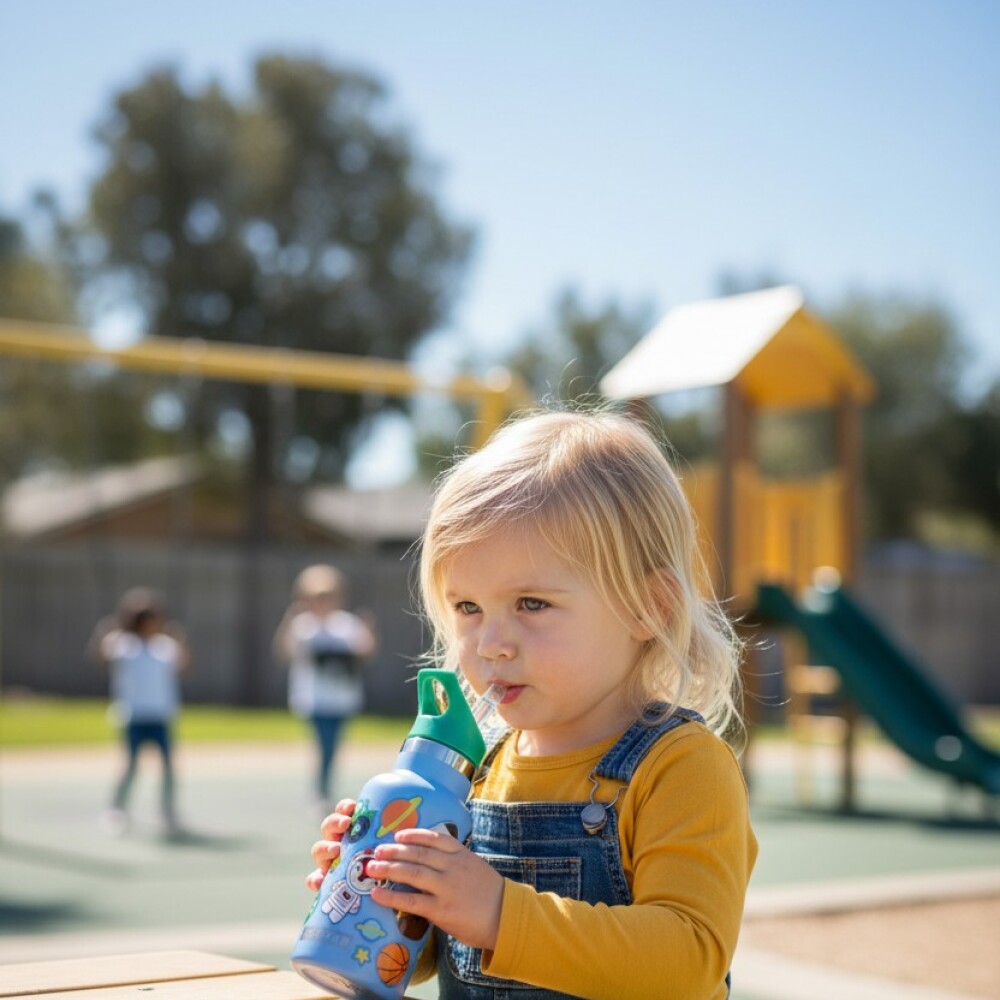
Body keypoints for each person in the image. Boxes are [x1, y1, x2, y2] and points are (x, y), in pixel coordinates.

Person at [306, 408, 758, 1000]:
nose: (491, 643)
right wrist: (383, 902)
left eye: (531, 603)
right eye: (468, 608)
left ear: (649, 608)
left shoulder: (681, 769)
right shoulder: (480, 771)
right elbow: (433, 955)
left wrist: (498, 911)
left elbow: (687, 961)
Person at [274, 564, 377, 810]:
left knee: (333, 746)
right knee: (325, 743)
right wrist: (288, 620)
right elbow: (283, 652)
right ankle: (320, 788)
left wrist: (370, 632)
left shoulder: (348, 625)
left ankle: (323, 786)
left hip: (342, 698)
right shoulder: (302, 625)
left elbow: (365, 653)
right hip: (313, 699)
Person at [90, 587, 189, 835]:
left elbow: (184, 666)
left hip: (160, 716)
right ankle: (116, 809)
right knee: (131, 765)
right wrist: (106, 632)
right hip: (134, 715)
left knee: (168, 766)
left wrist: (182, 641)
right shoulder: (123, 645)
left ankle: (167, 810)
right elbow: (101, 656)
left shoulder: (165, 647)